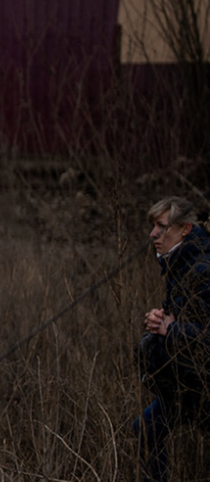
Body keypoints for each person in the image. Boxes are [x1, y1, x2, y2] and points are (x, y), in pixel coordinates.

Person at [133, 196, 210, 482]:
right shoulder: (179, 264)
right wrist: (160, 321)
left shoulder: (202, 269)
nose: (153, 234)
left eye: (162, 226)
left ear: (185, 229)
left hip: (201, 385)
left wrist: (173, 329)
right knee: (146, 429)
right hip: (187, 383)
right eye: (153, 226)